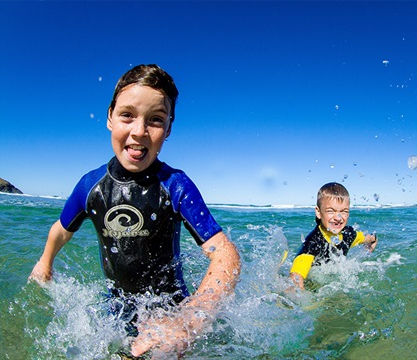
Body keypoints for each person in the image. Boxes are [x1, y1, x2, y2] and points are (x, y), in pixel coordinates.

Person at [29, 64, 241, 357]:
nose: (139, 132)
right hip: (115, 313)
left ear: (168, 130)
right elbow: (61, 231)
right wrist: (44, 264)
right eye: (127, 115)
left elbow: (224, 252)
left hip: (171, 313)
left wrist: (190, 318)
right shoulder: (90, 187)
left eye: (155, 120)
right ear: (110, 118)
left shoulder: (175, 185)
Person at [290, 182, 377, 289]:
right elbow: (296, 276)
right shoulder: (312, 244)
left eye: (344, 211)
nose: (338, 217)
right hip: (313, 286)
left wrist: (373, 239)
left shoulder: (348, 234)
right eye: (331, 211)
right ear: (318, 212)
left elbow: (366, 238)